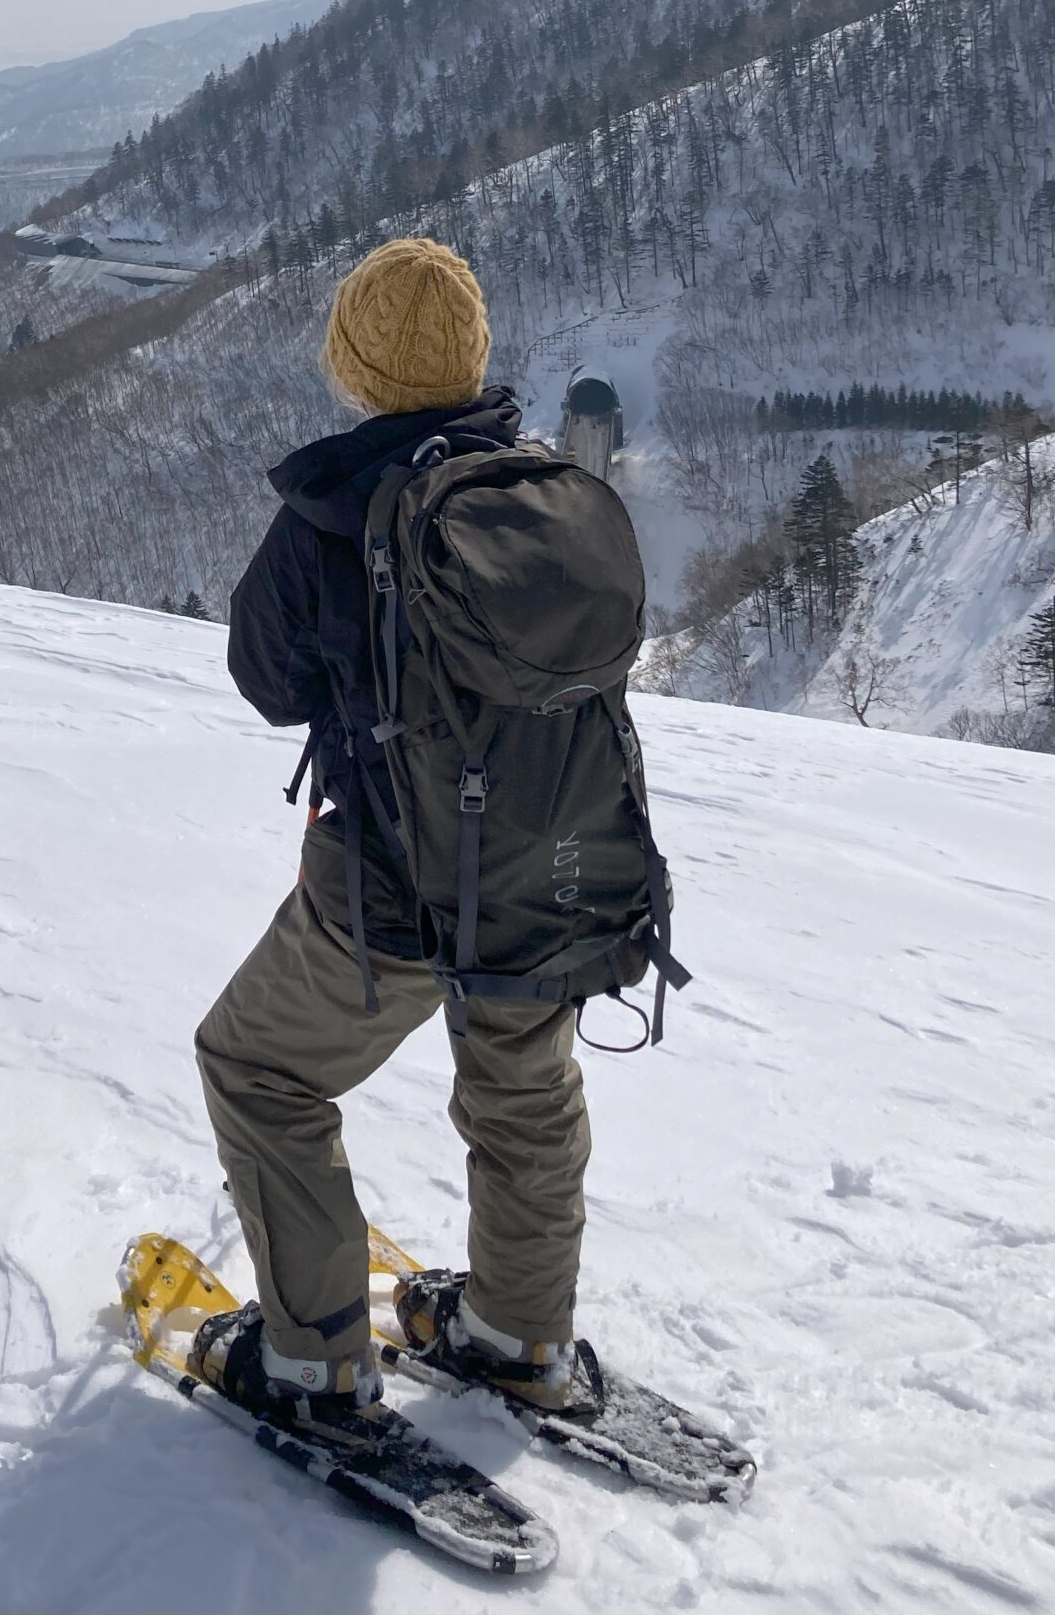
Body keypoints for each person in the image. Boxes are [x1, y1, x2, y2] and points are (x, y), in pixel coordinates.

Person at [191, 236, 609, 1427]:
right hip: (555, 870)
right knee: (525, 1095)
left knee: (259, 1068)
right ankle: (518, 1335)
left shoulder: (333, 513)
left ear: (357, 368)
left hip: (394, 879)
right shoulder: (541, 489)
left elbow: (266, 678)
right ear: (474, 352)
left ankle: (315, 1358)